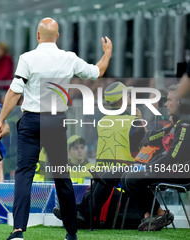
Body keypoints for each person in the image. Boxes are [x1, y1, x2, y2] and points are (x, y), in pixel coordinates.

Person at [0, 17, 112, 240]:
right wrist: (107, 52)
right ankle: (71, 232)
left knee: (24, 174)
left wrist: (1, 120)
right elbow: (97, 72)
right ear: (58, 37)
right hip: (56, 123)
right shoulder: (69, 58)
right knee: (61, 175)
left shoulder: (27, 58)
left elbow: (14, 91)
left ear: (38, 36)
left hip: (30, 122)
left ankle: (18, 229)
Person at [53, 82, 146, 226]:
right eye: (127, 95)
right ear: (122, 99)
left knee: (100, 183)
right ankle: (81, 213)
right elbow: (144, 149)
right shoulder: (134, 122)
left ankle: (79, 212)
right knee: (102, 182)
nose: (130, 97)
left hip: (107, 178)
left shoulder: (103, 121)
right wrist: (140, 120)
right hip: (124, 180)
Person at [120, 84, 190, 231]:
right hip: (170, 168)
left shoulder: (185, 124)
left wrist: (150, 167)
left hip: (181, 172)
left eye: (169, 100)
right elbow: (151, 137)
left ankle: (161, 214)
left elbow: (174, 156)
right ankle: (149, 217)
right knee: (126, 177)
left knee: (132, 178)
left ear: (180, 102)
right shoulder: (176, 123)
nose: (165, 104)